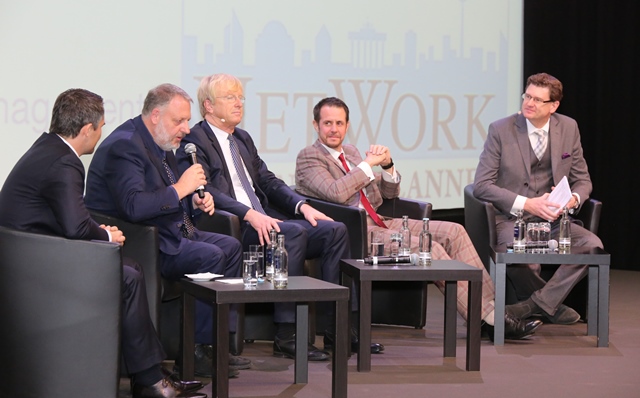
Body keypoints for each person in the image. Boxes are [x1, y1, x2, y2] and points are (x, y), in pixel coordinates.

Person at [0, 89, 207, 398]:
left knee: (129, 269)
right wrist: (106, 236)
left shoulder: (49, 149)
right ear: (87, 129)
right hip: (35, 267)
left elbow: (68, 216)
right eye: (100, 126)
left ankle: (151, 375)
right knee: (127, 275)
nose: (101, 133)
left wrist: (99, 231)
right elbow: (75, 227)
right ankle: (149, 380)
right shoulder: (64, 162)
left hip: (29, 257)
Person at [295, 97, 542, 341]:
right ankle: (490, 319)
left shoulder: (350, 152)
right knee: (429, 248)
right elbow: (336, 193)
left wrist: (388, 167)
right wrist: (368, 165)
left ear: (347, 126)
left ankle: (493, 310)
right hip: (355, 232)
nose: (334, 129)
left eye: (339, 123)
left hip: (381, 221)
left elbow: (388, 195)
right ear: (316, 125)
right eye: (327, 123)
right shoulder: (309, 157)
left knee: (455, 231)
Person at [175, 74, 382, 357]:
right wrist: (249, 214)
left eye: (240, 97)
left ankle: (341, 330)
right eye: (230, 97)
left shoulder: (242, 138)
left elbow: (268, 181)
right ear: (208, 105)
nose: (239, 103)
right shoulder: (195, 141)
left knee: (334, 230)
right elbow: (206, 189)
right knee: (291, 233)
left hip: (266, 220)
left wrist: (302, 206)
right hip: (234, 227)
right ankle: (287, 334)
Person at [84, 83, 249, 378]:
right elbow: (134, 206)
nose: (186, 129)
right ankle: (194, 352)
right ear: (156, 115)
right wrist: (181, 189)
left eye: (187, 120)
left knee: (232, 246)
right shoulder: (125, 146)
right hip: (143, 243)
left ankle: (215, 342)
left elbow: (168, 195)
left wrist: (194, 201)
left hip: (171, 231)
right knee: (211, 255)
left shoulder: (160, 142)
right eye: (179, 121)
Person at [473, 72, 603, 325]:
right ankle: (551, 306)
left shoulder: (568, 127)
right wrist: (527, 204)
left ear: (554, 106)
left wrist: (573, 199)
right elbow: (481, 185)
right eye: (527, 96)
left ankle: (532, 306)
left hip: (554, 220)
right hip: (513, 220)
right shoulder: (501, 129)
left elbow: (583, 180)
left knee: (593, 245)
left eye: (537, 100)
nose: (529, 103)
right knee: (525, 261)